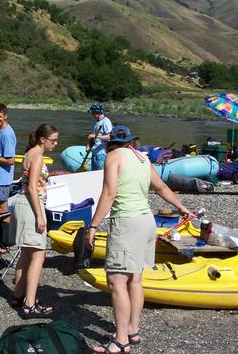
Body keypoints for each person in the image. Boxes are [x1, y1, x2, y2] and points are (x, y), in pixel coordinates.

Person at [86, 125, 193, 353]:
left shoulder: (113, 156)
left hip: (127, 222)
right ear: (132, 141)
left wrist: (93, 225)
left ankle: (121, 341)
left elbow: (108, 193)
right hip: (146, 222)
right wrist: (182, 208)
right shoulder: (143, 158)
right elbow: (162, 188)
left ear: (111, 143)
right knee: (135, 279)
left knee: (116, 281)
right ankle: (131, 330)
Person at [10, 124, 58, 318]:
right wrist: (40, 215)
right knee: (38, 255)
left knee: (26, 253)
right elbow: (31, 188)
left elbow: (32, 181)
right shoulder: (37, 156)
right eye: (53, 140)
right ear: (42, 139)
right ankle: (30, 304)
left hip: (22, 204)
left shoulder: (30, 153)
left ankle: (17, 296)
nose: (56, 143)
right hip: (31, 206)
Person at [87, 103, 113, 170]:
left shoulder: (106, 122)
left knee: (100, 172)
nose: (92, 114)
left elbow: (110, 137)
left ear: (97, 112)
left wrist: (96, 136)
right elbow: (93, 136)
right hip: (95, 151)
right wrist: (88, 145)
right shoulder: (97, 121)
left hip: (102, 153)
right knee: (94, 172)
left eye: (92, 112)